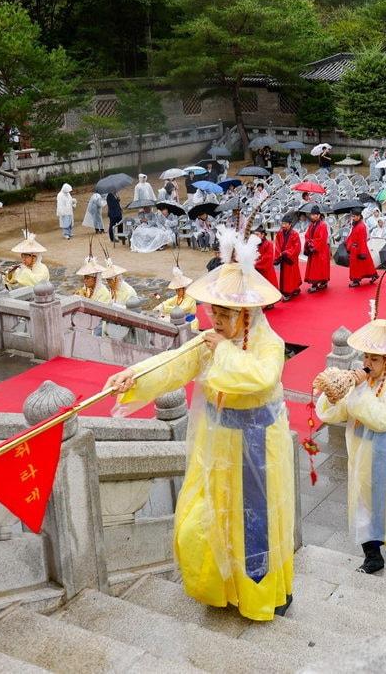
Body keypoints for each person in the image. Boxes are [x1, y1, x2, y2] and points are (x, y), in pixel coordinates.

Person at [105, 228, 293, 621]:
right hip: (216, 448)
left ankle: (261, 595)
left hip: (256, 449)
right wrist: (133, 377)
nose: (217, 319)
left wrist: (222, 350)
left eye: (226, 313)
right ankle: (221, 588)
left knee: (254, 525)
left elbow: (260, 378)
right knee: (204, 522)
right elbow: (173, 366)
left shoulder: (268, 344)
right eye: (214, 310)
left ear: (247, 313)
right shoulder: (211, 341)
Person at [315, 292, 386, 574]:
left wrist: (358, 390)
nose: (367, 363)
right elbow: (334, 414)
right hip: (362, 452)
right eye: (366, 356)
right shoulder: (360, 383)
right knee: (363, 502)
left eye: (374, 358)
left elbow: (383, 420)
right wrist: (333, 393)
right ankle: (372, 556)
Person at [344, 209, 378, 287]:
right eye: (352, 216)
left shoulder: (361, 226)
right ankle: (372, 275)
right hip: (355, 248)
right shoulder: (355, 225)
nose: (353, 218)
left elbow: (363, 240)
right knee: (366, 263)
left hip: (359, 248)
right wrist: (347, 243)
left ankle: (356, 280)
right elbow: (352, 236)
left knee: (358, 265)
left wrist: (362, 252)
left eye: (354, 216)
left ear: (359, 216)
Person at [273, 216, 303, 301]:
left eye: (285, 224)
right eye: (282, 223)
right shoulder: (279, 233)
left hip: (291, 257)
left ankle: (288, 292)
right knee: (286, 275)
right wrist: (279, 254)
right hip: (283, 256)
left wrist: (287, 253)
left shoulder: (295, 234)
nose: (283, 225)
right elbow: (277, 245)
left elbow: (297, 247)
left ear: (290, 224)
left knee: (291, 274)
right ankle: (294, 289)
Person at [303, 206, 330, 293]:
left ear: (318, 215)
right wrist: (309, 242)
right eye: (311, 215)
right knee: (315, 267)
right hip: (314, 248)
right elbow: (307, 235)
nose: (312, 216)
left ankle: (317, 284)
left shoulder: (323, 225)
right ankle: (321, 282)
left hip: (321, 250)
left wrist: (312, 243)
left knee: (319, 267)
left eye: (314, 215)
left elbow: (322, 239)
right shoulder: (311, 225)